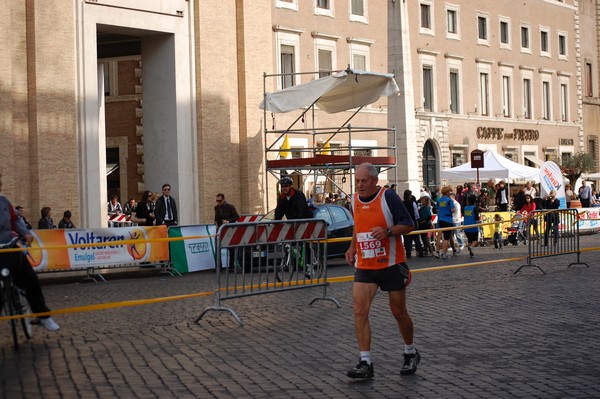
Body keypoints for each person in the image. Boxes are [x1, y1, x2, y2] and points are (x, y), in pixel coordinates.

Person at [344, 163, 420, 379]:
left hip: (391, 264)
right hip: (366, 265)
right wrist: (351, 247)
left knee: (398, 312)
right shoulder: (354, 199)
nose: (359, 185)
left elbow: (409, 224)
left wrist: (387, 232)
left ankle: (410, 352)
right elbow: (358, 226)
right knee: (359, 310)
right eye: (357, 181)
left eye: (364, 181)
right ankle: (365, 361)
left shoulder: (388, 197)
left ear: (375, 181)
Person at [0, 174, 60, 331]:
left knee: (31, 280)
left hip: (9, 248)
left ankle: (43, 316)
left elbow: (15, 222)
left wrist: (25, 233)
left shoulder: (4, 202)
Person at [436, 186, 456, 259]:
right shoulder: (449, 200)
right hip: (447, 219)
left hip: (440, 219)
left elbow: (437, 210)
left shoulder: (439, 200)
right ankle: (444, 254)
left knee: (440, 236)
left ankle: (438, 251)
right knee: (446, 238)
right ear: (447, 192)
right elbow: (453, 210)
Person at [402, 190, 423, 258]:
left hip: (405, 223)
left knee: (406, 239)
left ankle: (408, 253)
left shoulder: (402, 203)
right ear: (409, 196)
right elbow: (416, 214)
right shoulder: (413, 203)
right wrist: (417, 220)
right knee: (416, 238)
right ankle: (420, 252)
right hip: (412, 222)